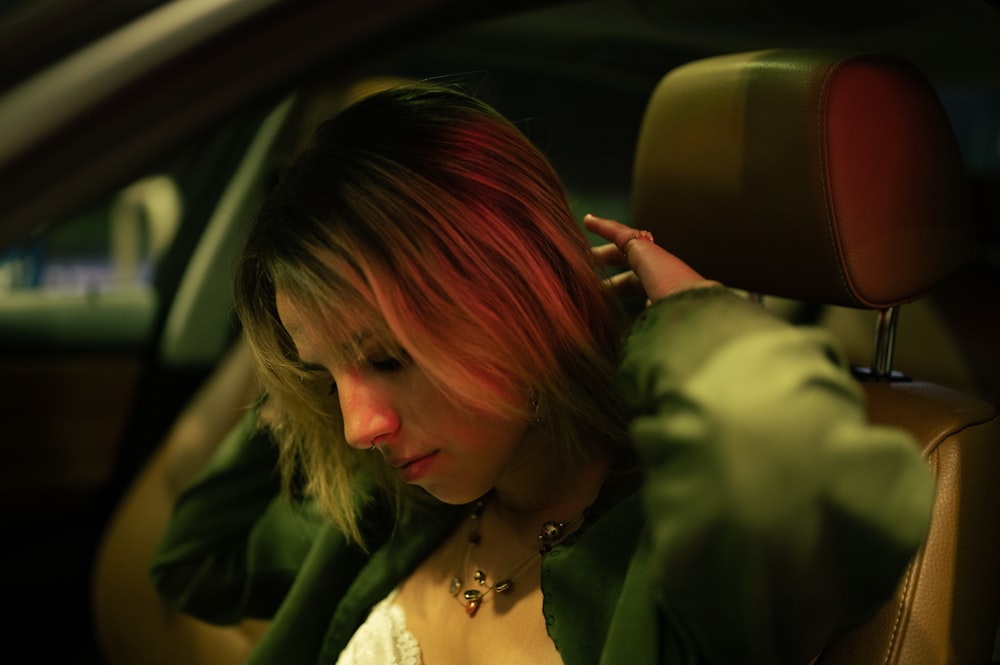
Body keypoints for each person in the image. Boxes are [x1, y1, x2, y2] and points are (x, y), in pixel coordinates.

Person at [149, 82, 935, 665]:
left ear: (514, 290)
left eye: (388, 356)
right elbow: (195, 563)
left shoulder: (680, 538)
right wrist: (306, 346)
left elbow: (836, 508)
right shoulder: (400, 498)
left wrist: (699, 322)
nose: (360, 426)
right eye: (330, 377)